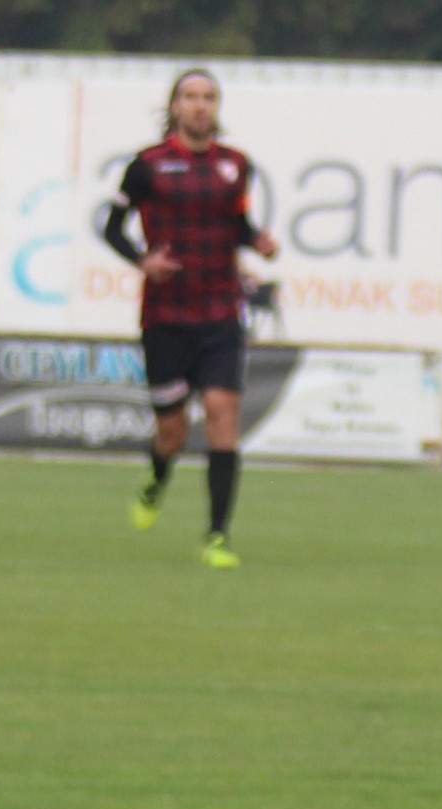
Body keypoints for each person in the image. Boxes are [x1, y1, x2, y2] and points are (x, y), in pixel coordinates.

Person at [98, 69, 277, 569]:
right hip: (166, 315)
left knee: (222, 414)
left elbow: (235, 224)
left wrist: (256, 240)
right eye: (191, 97)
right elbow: (111, 228)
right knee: (172, 434)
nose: (200, 105)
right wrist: (142, 260)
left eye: (209, 97)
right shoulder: (147, 166)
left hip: (220, 310)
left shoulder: (235, 165)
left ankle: (217, 537)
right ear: (174, 106)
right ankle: (156, 482)